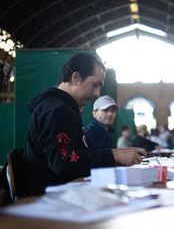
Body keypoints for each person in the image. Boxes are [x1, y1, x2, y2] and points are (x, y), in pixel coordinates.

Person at [22, 53, 147, 196]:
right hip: (49, 200)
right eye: (95, 85)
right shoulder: (57, 110)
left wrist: (114, 156)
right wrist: (113, 156)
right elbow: (64, 163)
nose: (97, 94)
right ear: (76, 78)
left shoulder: (63, 107)